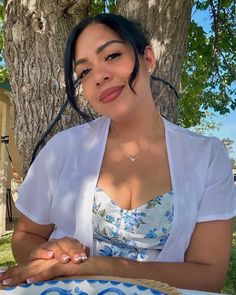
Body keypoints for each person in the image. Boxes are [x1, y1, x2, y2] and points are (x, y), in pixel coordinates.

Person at [1, 13, 236, 292]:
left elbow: (209, 277)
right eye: (85, 72)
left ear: (148, 59)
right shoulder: (62, 149)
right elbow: (26, 234)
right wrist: (48, 253)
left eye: (111, 55)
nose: (99, 76)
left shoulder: (206, 156)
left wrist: (99, 267)